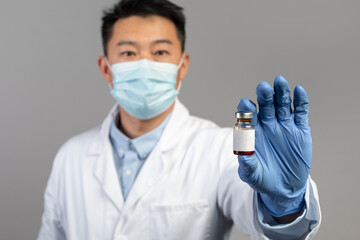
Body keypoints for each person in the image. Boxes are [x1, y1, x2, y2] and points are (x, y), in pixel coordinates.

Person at [37, 0, 321, 239]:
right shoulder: (70, 157)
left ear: (181, 66)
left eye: (160, 52)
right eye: (128, 53)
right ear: (106, 68)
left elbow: (268, 228)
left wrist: (286, 204)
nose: (145, 64)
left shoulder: (222, 150)